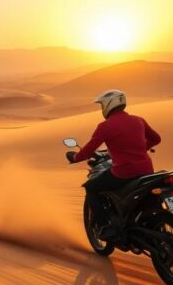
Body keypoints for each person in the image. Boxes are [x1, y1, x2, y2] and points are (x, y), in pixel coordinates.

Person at [66, 90, 161, 240]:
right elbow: (156, 139)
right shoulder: (138, 120)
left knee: (91, 187)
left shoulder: (105, 126)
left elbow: (89, 149)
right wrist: (142, 147)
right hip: (146, 170)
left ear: (108, 105)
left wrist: (76, 157)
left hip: (124, 172)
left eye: (102, 105)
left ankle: (105, 227)